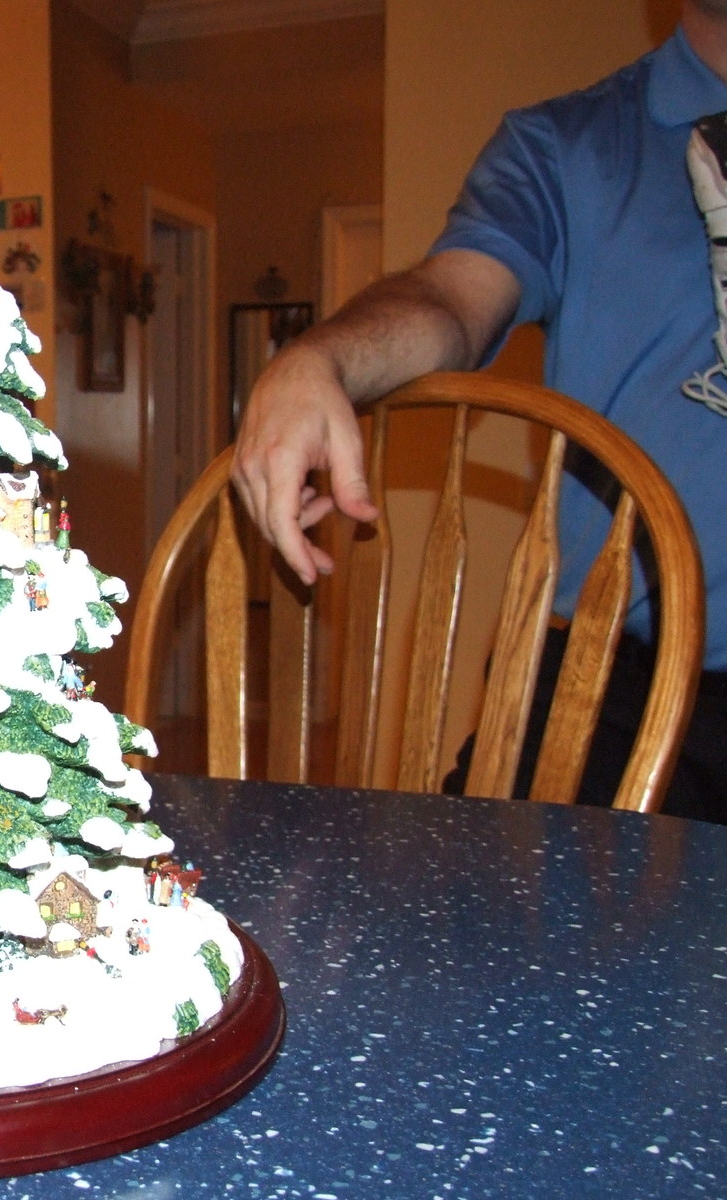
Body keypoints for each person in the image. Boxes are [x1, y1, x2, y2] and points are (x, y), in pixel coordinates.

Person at [232, 0, 727, 822]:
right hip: (603, 685)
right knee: (467, 889)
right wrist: (318, 358)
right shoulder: (564, 145)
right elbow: (453, 297)